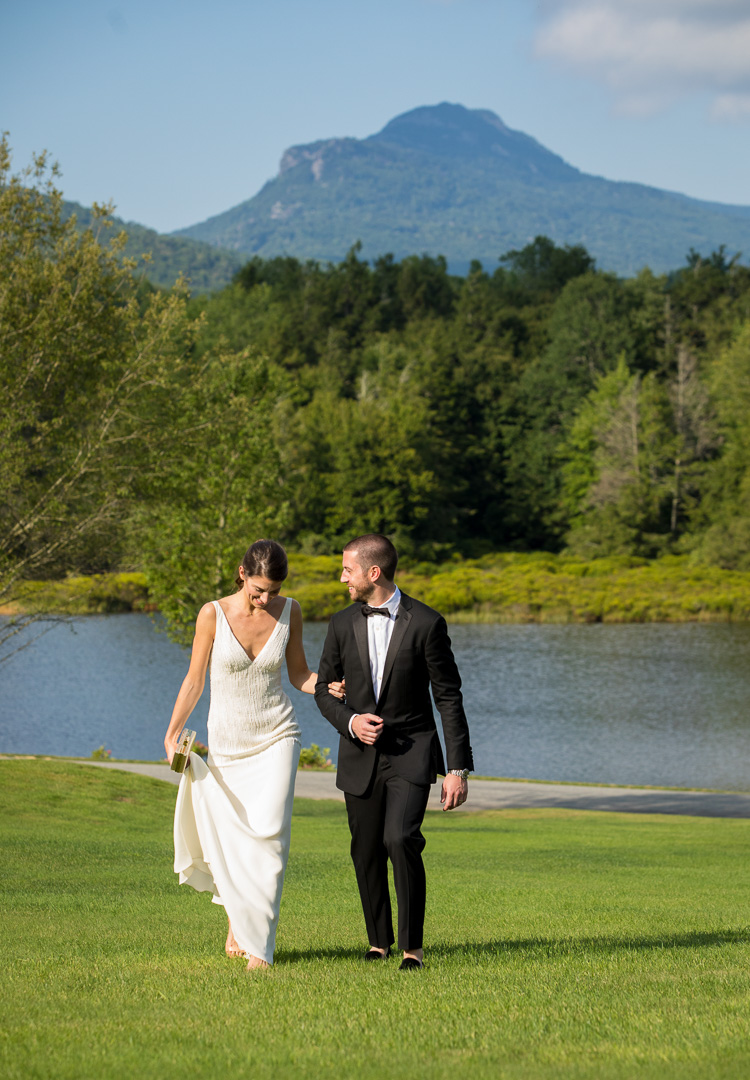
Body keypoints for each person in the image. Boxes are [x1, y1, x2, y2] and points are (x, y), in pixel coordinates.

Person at [164, 538, 344, 971]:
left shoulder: (291, 612)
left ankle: (260, 952)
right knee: (232, 840)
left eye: (275, 591)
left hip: (277, 737)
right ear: (242, 573)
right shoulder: (212, 613)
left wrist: (327, 684)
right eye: (259, 590)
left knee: (269, 841)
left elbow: (299, 674)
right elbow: (194, 681)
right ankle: (237, 922)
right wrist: (171, 735)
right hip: (227, 745)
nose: (266, 599)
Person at [314, 533, 473, 970]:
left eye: (347, 569)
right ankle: (377, 942)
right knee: (365, 849)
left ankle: (412, 948)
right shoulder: (340, 623)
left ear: (373, 572)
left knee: (399, 839)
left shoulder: (426, 622)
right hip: (358, 755)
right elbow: (324, 692)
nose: (341, 577)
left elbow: (449, 697)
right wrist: (350, 719)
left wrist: (456, 768)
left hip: (412, 752)